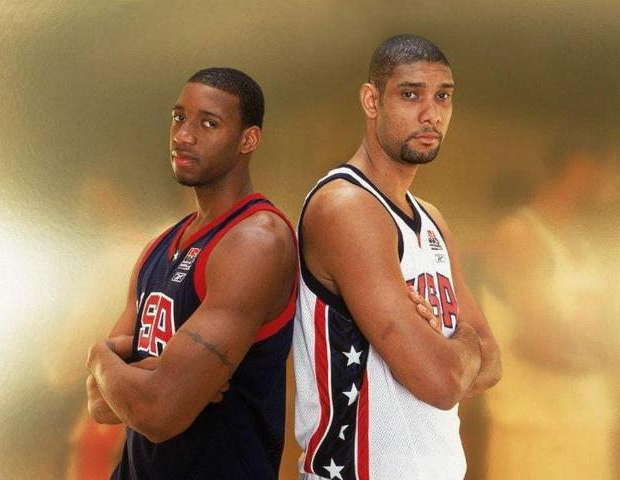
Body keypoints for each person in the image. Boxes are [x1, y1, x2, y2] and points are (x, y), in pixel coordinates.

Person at [293, 34, 501, 480]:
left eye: (443, 96)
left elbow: (493, 364)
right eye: (410, 95)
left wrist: (450, 352)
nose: (431, 114)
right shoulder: (345, 207)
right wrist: (463, 342)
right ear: (372, 101)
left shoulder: (431, 219)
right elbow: (442, 382)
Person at [85, 67, 298, 480]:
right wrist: (147, 378)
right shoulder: (159, 247)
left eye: (208, 123)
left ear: (248, 140)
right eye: (179, 117)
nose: (183, 135)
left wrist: (101, 358)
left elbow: (159, 412)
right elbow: (99, 404)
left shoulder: (256, 241)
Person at [480, 131, 619, 479]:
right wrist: (604, 351)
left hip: (588, 426)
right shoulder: (520, 237)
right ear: (581, 167)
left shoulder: (584, 243)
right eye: (613, 170)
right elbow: (542, 343)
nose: (615, 185)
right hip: (536, 436)